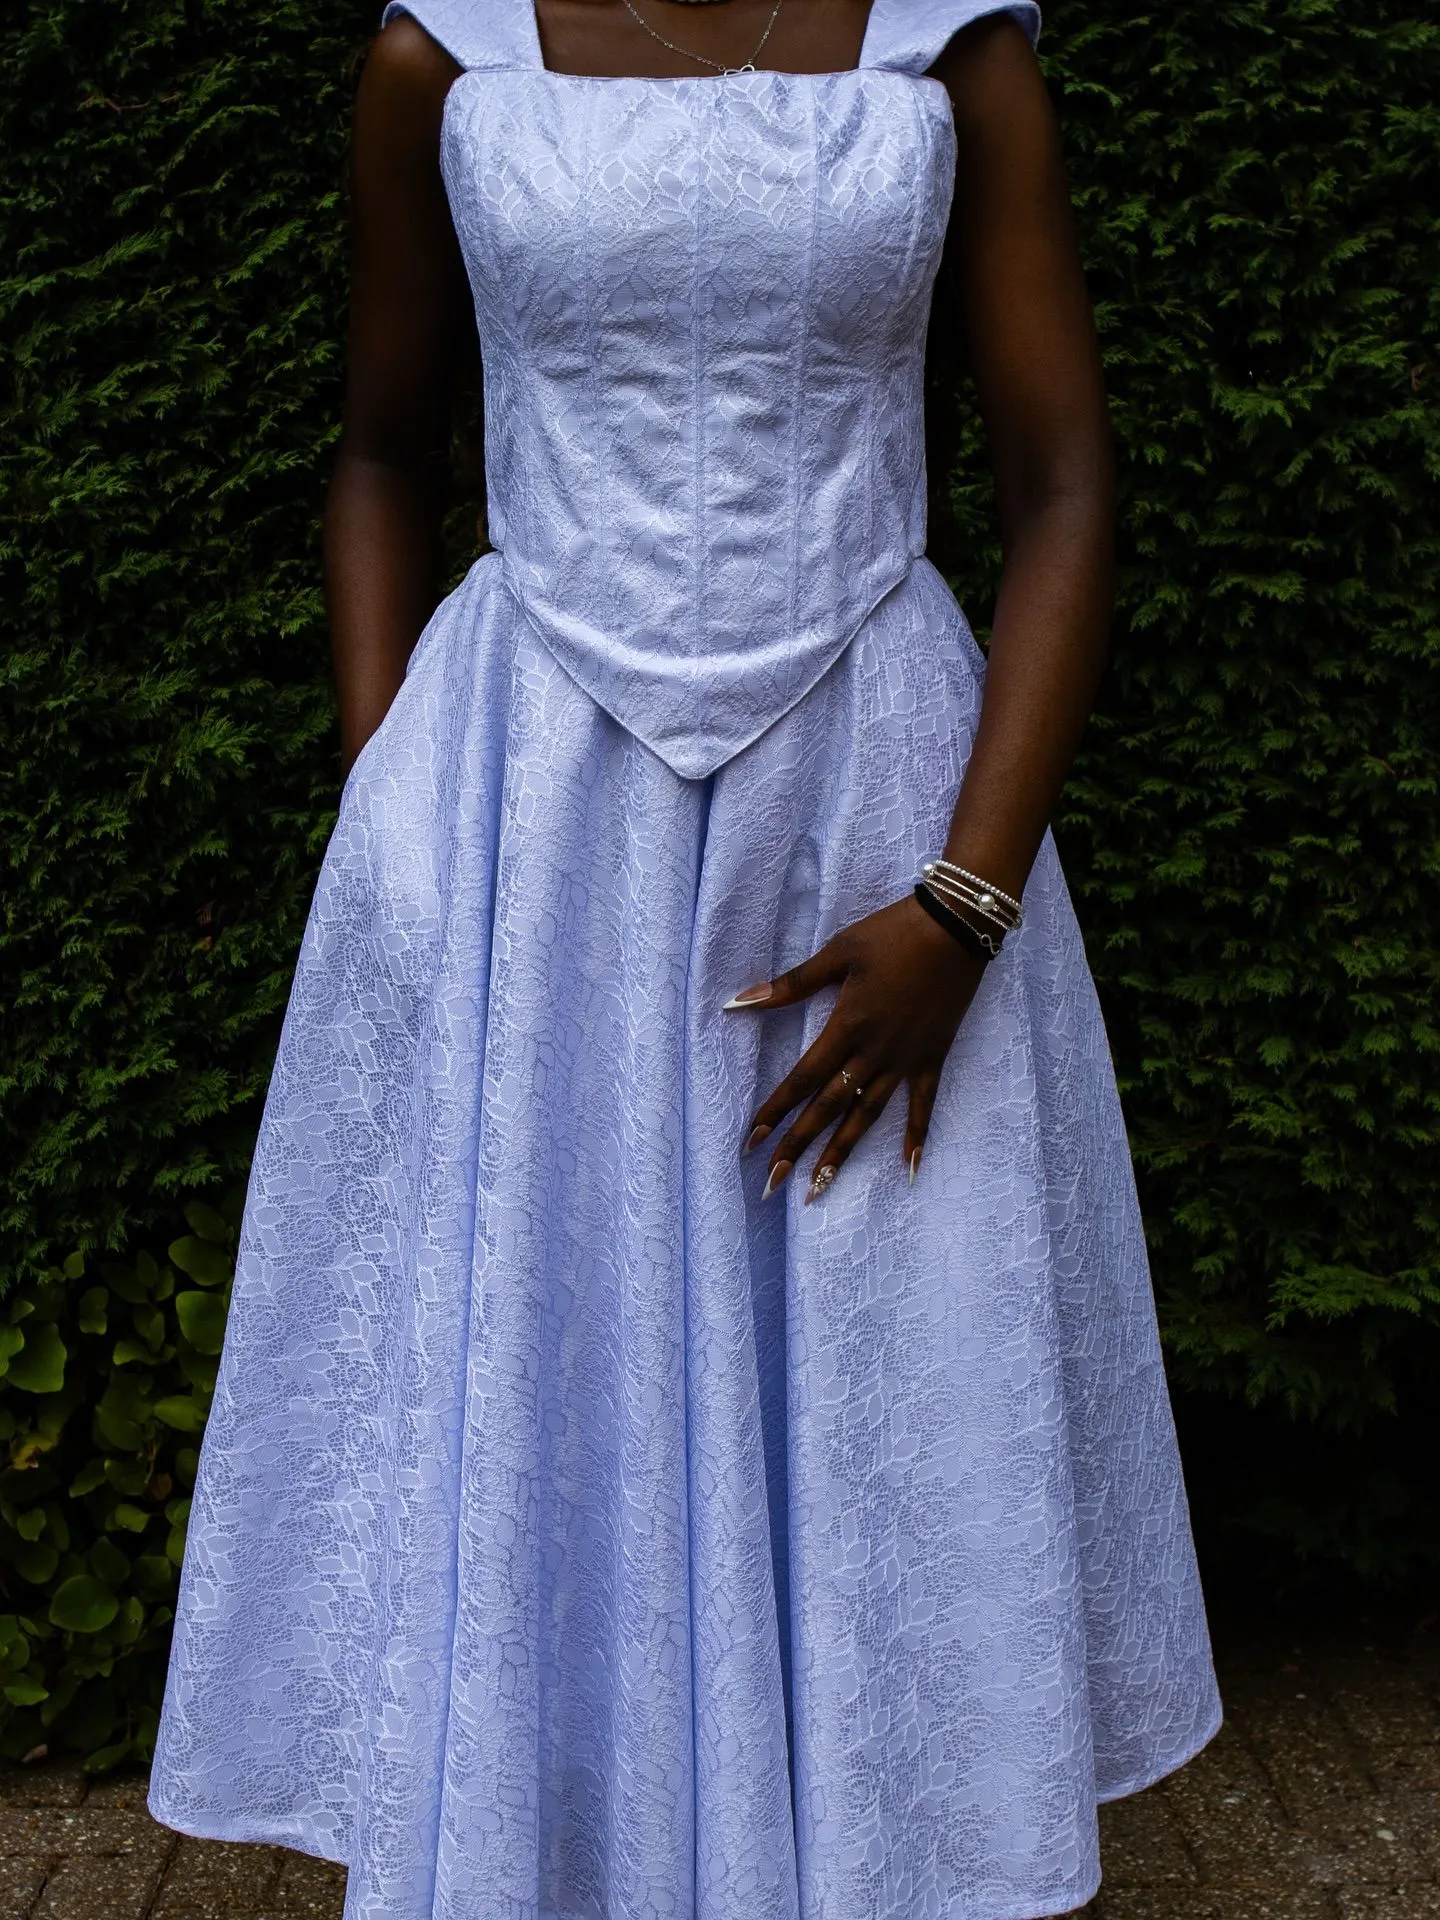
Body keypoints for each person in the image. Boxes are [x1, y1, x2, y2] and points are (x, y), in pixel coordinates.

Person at [149, 1, 1221, 1914]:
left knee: (878, 1368)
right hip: (530, 840)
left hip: (887, 832)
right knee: (547, 1381)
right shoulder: (441, 44)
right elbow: (385, 458)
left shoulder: (947, 35)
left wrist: (964, 909)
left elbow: (1066, 487)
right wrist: (402, 813)